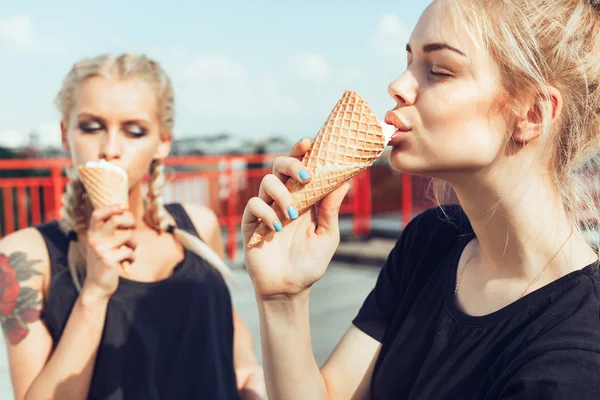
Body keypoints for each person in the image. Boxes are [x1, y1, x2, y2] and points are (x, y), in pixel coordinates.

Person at [241, 0, 600, 398]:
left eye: (439, 71)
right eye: (409, 61)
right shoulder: (430, 241)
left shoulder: (577, 354)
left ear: (532, 113)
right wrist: (283, 298)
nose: (397, 85)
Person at [0, 53, 265, 400]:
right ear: (66, 135)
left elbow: (223, 320)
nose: (110, 149)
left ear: (163, 141)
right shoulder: (23, 256)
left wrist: (248, 370)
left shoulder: (198, 226)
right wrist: (94, 292)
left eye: (135, 131)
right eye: (91, 127)